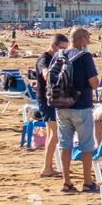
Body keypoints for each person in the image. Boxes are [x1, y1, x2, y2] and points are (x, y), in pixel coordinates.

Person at [54, 28, 100, 193]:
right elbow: (94, 83)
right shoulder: (85, 57)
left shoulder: (58, 55)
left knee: (65, 144)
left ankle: (67, 182)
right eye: (87, 37)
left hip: (61, 105)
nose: (88, 41)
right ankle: (87, 182)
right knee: (86, 145)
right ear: (81, 39)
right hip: (81, 105)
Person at [35, 33, 69, 178]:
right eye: (62, 49)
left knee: (52, 134)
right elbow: (45, 73)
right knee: (54, 134)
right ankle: (47, 168)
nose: (64, 52)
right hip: (47, 100)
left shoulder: (56, 58)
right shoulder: (45, 58)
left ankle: (49, 166)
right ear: (54, 46)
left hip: (51, 99)